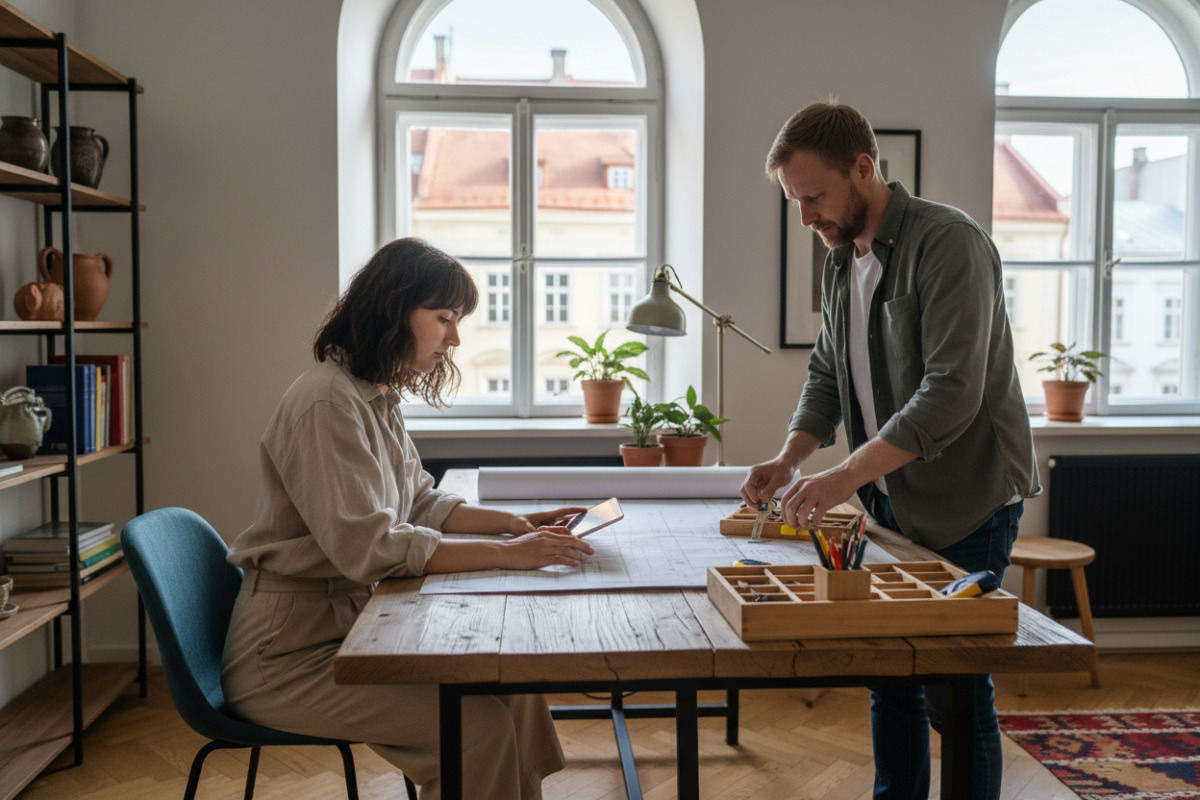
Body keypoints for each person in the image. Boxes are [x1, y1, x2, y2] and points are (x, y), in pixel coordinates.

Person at [222, 237, 593, 800]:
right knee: (478, 729)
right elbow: (370, 547)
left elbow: (419, 502)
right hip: (288, 656)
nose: (455, 337)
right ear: (395, 311)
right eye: (444, 318)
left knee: (513, 688)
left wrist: (517, 524)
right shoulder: (327, 403)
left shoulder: (373, 395)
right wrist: (507, 555)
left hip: (349, 629)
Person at [742, 102, 1040, 800]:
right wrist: (790, 458)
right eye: (796, 201)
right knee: (892, 683)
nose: (807, 215)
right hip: (890, 497)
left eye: (815, 196)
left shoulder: (949, 243)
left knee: (954, 696)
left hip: (968, 501)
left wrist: (841, 476)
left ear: (865, 170)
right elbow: (827, 375)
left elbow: (951, 394)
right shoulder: (841, 261)